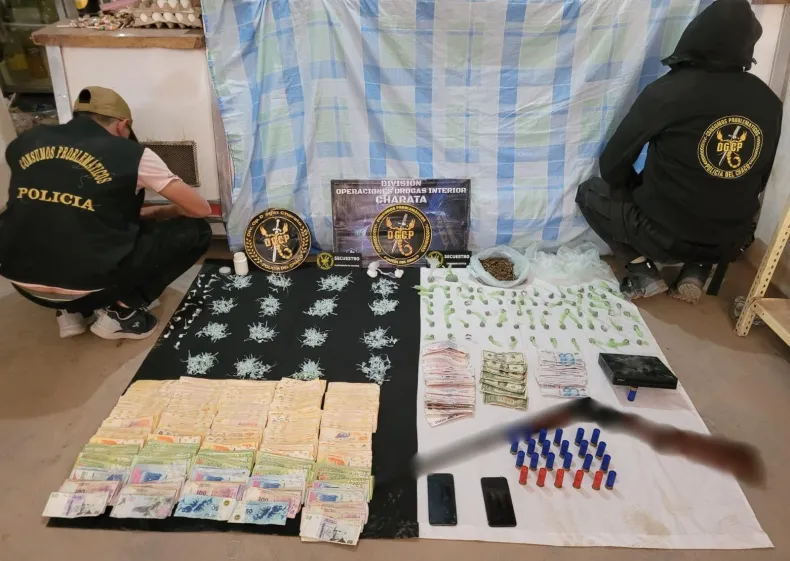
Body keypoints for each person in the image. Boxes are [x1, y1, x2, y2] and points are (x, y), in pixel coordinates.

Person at [576, 0, 782, 302]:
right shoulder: (769, 101)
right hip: (731, 239)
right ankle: (697, 270)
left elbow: (611, 165)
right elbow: (760, 177)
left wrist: (636, 186)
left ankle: (643, 271)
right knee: (722, 203)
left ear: (695, 34)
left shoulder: (668, 92)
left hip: (663, 237)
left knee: (591, 193)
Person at [0, 86, 212, 339]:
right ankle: (122, 313)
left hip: (20, 281)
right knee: (196, 230)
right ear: (122, 125)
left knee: (52, 221)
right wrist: (162, 212)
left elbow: (62, 202)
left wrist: (143, 213)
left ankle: (70, 313)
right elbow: (200, 209)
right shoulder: (132, 155)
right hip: (89, 287)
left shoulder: (25, 142)